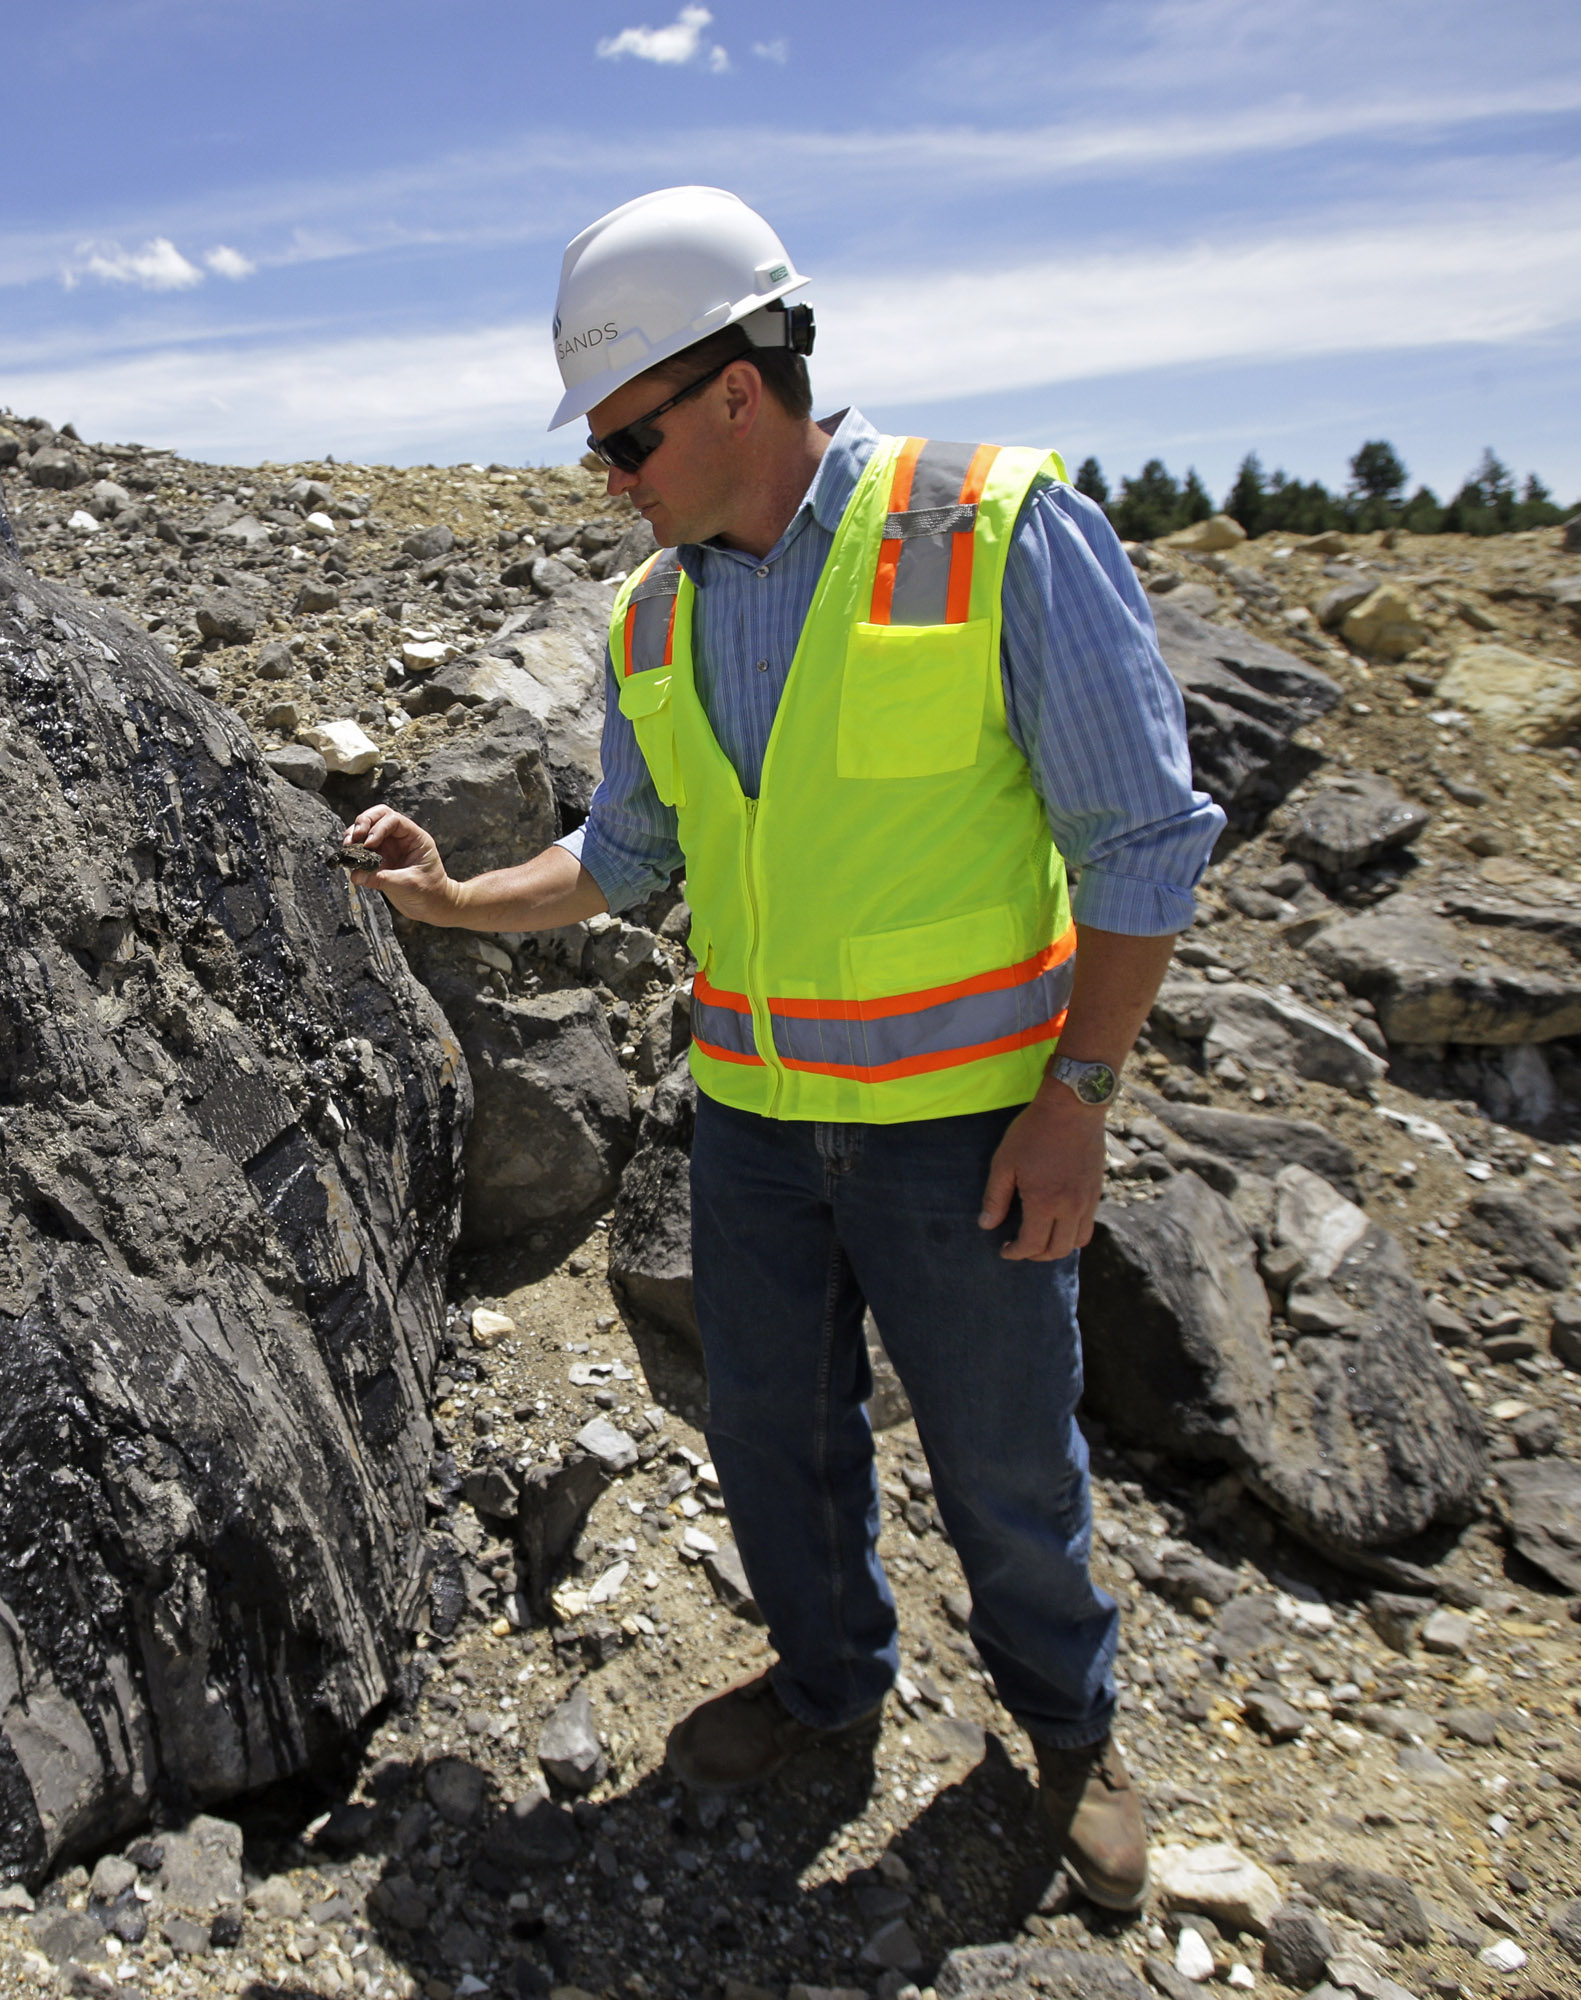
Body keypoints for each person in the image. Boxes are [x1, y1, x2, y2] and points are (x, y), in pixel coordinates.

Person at [345, 186, 1220, 1912]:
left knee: (1003, 1458)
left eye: (630, 435)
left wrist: (1082, 1098)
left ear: (740, 385)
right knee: (773, 1437)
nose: (611, 475)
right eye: (598, 446)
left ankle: (1065, 1732)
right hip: (749, 1127)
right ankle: (830, 1689)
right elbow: (626, 861)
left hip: (967, 1128)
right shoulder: (653, 616)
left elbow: (1144, 842)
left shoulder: (991, 529)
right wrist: (449, 902)